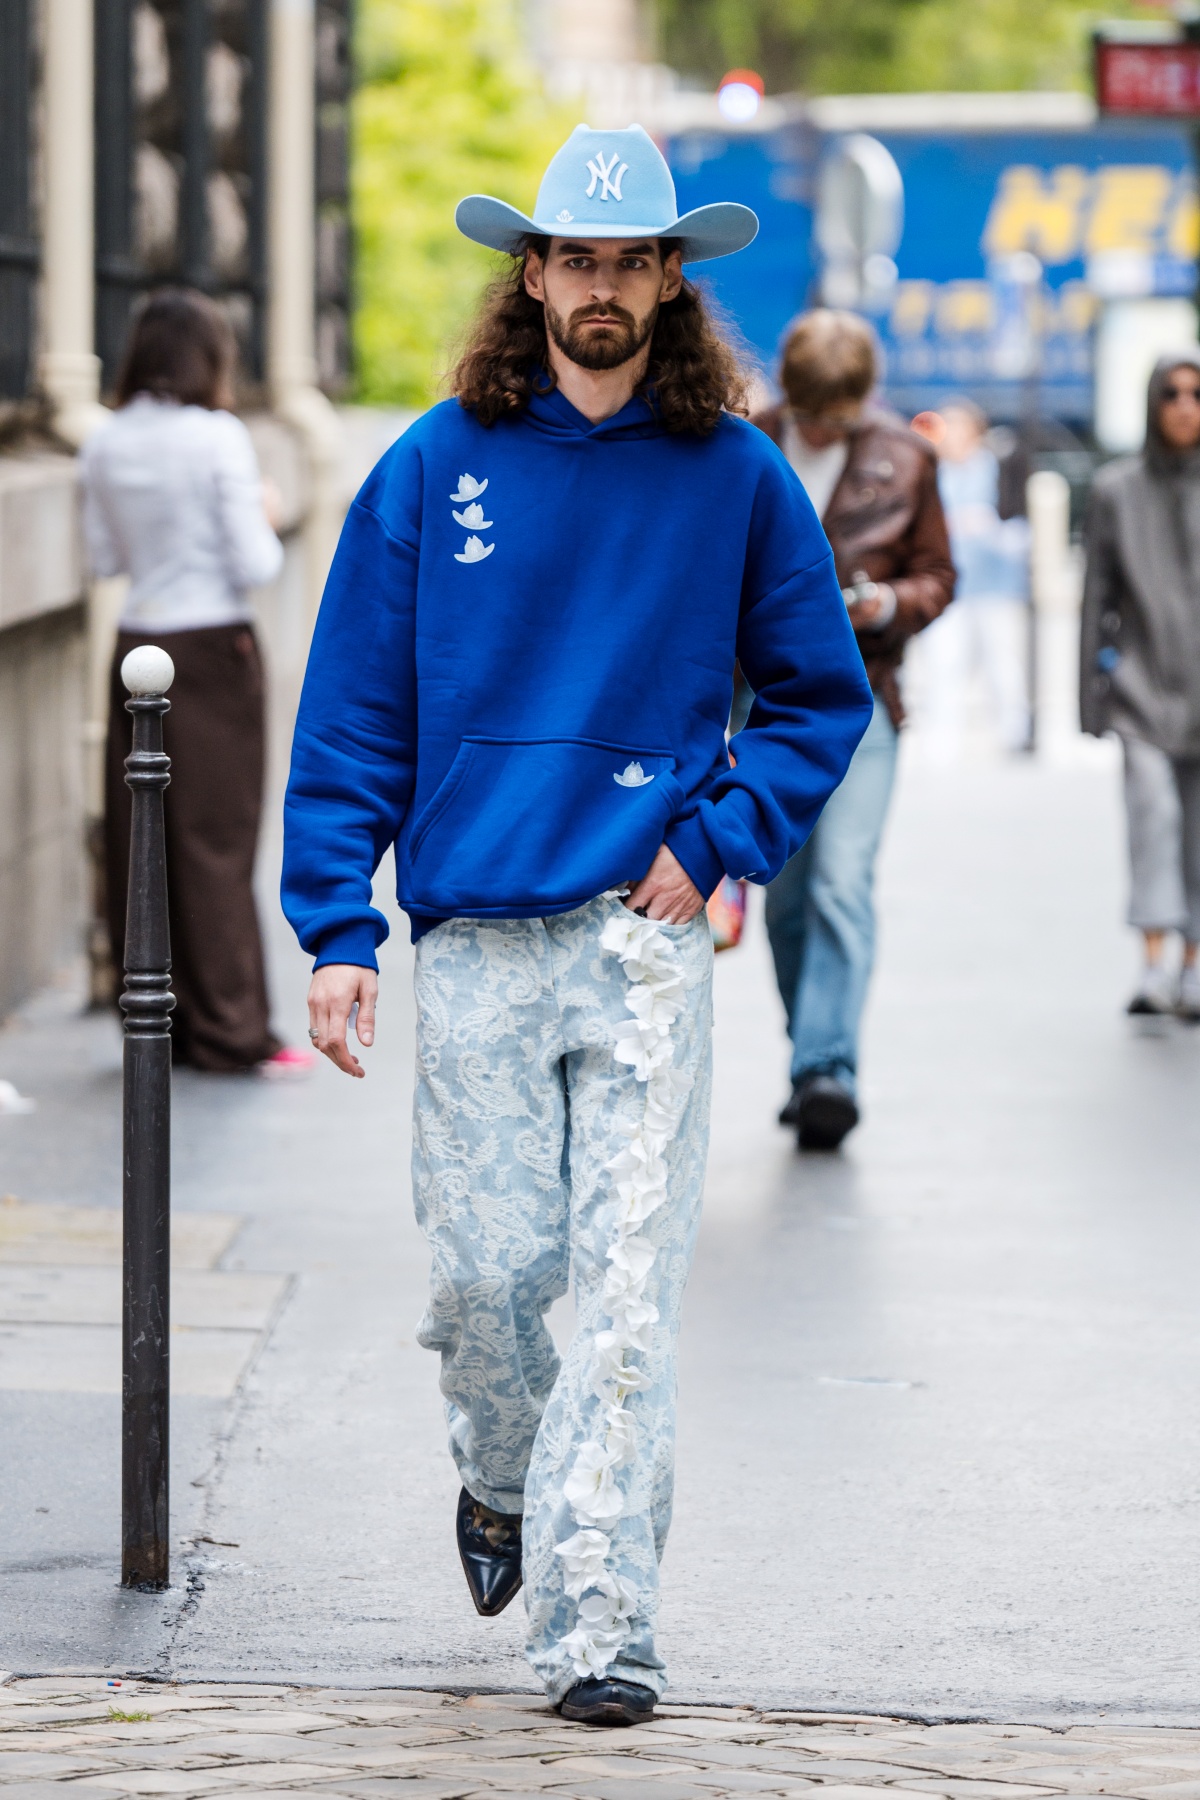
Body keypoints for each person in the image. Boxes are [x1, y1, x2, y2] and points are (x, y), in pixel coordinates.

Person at [281, 126, 872, 1725]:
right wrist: (339, 927)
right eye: (575, 257)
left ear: (671, 278)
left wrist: (726, 837)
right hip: (473, 934)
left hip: (643, 939)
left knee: (621, 1294)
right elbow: (350, 720)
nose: (602, 286)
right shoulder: (428, 468)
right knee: (488, 1283)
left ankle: (600, 1625)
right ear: (529, 271)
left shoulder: (737, 476)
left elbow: (824, 693)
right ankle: (498, 1474)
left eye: (632, 260)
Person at [82, 288, 310, 1076]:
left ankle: (157, 1023)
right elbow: (256, 563)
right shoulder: (218, 438)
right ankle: (233, 1031)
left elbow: (104, 560)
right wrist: (267, 510)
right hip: (212, 648)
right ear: (208, 355)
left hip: (134, 643)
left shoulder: (104, 440)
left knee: (141, 839)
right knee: (217, 842)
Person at [752, 311, 955, 1149]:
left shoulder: (906, 458)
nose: (821, 432)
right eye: (810, 416)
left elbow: (938, 578)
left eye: (834, 420)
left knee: (841, 878)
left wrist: (884, 605)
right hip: (760, 703)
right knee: (786, 896)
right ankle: (811, 1048)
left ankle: (826, 1065)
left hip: (865, 696)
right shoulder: (747, 442)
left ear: (863, 400)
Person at [1081, 352, 1200, 1020]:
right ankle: (1154, 963)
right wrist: (1089, 701)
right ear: (1153, 404)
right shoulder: (1116, 490)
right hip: (1141, 693)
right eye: (1172, 393)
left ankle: (1193, 965)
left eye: (1197, 393)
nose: (1186, 405)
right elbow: (1097, 597)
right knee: (1153, 819)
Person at [918, 400, 1031, 761]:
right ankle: (942, 740)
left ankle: (1014, 733)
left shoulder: (996, 468)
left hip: (995, 585)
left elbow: (1020, 530)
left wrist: (987, 527)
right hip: (949, 586)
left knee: (1003, 661)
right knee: (944, 663)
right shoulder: (932, 473)